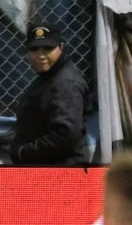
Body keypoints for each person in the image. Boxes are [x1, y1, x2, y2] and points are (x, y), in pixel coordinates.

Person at [8, 24, 89, 165]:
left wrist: (24, 153)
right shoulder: (49, 77)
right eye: (34, 49)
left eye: (48, 48)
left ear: (61, 48)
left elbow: (66, 134)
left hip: (60, 173)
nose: (41, 56)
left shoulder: (65, 83)